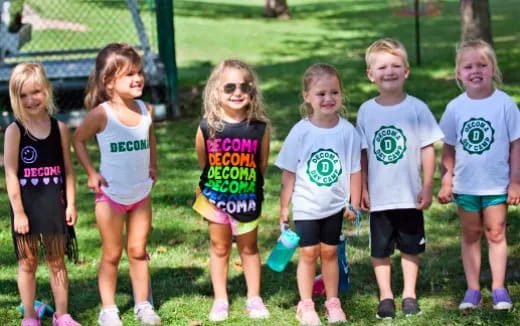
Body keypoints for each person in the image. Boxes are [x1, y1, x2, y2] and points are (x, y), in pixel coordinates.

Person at [73, 43, 160, 326]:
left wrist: (153, 164)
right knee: (111, 254)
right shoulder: (101, 114)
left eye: (139, 72)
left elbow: (150, 139)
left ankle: (143, 304)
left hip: (140, 193)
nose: (138, 79)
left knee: (137, 250)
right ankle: (108, 309)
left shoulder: (146, 109)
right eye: (129, 74)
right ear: (108, 82)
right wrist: (90, 173)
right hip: (110, 197)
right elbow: (78, 140)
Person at [356, 38, 443, 319]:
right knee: (380, 249)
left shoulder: (417, 108)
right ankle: (385, 296)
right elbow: (364, 153)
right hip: (379, 196)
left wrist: (428, 185)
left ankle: (409, 293)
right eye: (382, 67)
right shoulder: (367, 111)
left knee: (410, 245)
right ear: (371, 75)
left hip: (410, 194)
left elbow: (428, 148)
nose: (389, 71)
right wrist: (363, 188)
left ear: (406, 70)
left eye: (396, 65)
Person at [275, 63, 361, 325]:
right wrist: (283, 207)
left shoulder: (347, 131)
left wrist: (353, 204)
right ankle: (306, 304)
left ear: (341, 94)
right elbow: (289, 173)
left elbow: (355, 171)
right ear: (307, 97)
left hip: (335, 206)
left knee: (330, 252)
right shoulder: (301, 131)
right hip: (306, 206)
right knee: (308, 253)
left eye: (334, 92)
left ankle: (332, 302)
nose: (328, 99)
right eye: (321, 93)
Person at [437, 39, 520, 310]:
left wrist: (515, 181)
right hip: (467, 185)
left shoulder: (505, 105)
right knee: (471, 233)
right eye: (468, 66)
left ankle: (498, 288)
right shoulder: (455, 107)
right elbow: (448, 146)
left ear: (493, 69)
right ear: (459, 73)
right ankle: (472, 289)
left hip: (496, 184)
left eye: (482, 65)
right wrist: (447, 179)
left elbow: (516, 144)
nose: (476, 71)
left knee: (496, 232)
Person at [193, 59, 271, 322]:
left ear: (252, 91)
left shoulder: (260, 127)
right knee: (219, 247)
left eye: (244, 86)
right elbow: (205, 164)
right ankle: (220, 299)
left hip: (247, 199)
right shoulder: (207, 127)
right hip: (215, 200)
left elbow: (261, 165)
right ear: (217, 92)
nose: (237, 92)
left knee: (249, 249)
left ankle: (254, 297)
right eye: (229, 87)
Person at [4, 62, 80, 326]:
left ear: (46, 90)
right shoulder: (15, 131)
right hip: (26, 208)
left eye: (35, 92)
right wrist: (19, 212)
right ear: (15, 98)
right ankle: (29, 315)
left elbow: (68, 170)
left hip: (54, 206)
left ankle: (63, 314)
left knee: (56, 261)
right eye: (23, 95)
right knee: (28, 262)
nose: (30, 100)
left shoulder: (60, 129)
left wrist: (71, 203)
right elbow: (11, 174)